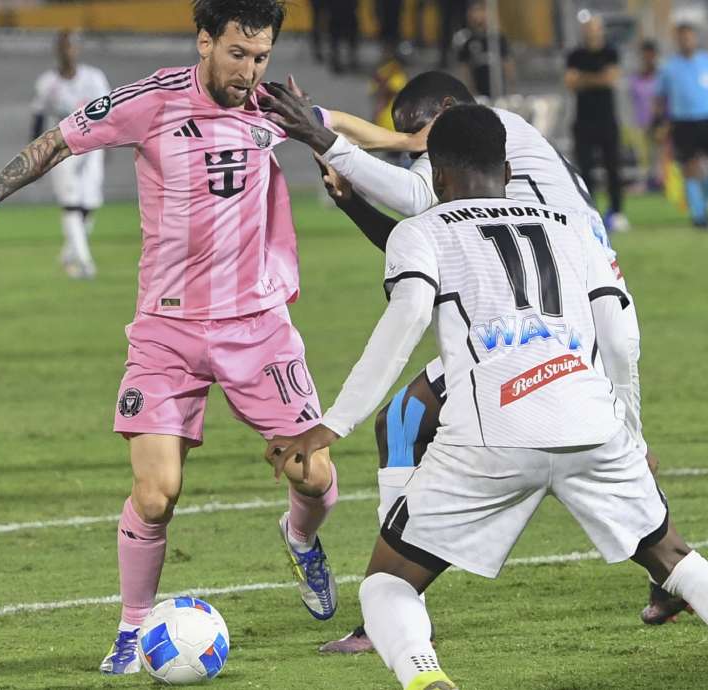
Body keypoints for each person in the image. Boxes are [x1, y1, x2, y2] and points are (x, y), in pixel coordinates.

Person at [268, 104, 708, 690]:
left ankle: (426, 678)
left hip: (490, 437)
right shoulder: (570, 226)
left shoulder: (421, 231)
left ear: (435, 177)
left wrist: (331, 424)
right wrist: (632, 434)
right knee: (677, 561)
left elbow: (406, 318)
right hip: (592, 423)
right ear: (508, 168)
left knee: (389, 582)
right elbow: (618, 334)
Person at [0, 0, 341, 675]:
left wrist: (410, 148)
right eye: (238, 54)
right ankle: (131, 630)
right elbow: (58, 140)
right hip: (167, 330)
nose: (249, 70)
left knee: (316, 473)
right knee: (156, 493)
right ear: (205, 40)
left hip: (258, 328)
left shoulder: (272, 106)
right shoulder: (150, 101)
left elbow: (339, 127)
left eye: (261, 56)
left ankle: (301, 539)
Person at [260, 70, 674, 653]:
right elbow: (437, 244)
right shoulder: (497, 162)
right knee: (416, 422)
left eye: (422, 142)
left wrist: (322, 134)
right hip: (562, 321)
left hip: (559, 328)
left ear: (449, 112)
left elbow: (418, 202)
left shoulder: (499, 130)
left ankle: (390, 606)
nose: (421, 156)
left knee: (411, 422)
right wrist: (353, 201)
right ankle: (672, 571)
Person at [31, 29, 111, 280]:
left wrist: (108, 145)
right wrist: (36, 154)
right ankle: (84, 261)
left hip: (92, 147)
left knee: (89, 204)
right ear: (57, 50)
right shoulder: (47, 83)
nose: (68, 50)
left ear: (78, 49)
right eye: (63, 46)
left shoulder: (94, 78)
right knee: (72, 204)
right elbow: (38, 118)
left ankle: (70, 253)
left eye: (72, 45)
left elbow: (110, 113)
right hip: (60, 147)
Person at [655, 21, 708, 228]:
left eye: (689, 36)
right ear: (676, 40)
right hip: (683, 123)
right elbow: (660, 100)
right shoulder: (669, 68)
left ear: (695, 38)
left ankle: (699, 201)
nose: (686, 40)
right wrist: (660, 125)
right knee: (690, 170)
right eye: (681, 37)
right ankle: (699, 217)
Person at [565, 13, 628, 233]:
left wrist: (584, 79)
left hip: (607, 121)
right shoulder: (575, 54)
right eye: (588, 28)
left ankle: (617, 213)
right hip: (583, 122)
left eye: (595, 28)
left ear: (601, 30)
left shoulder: (611, 52)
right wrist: (597, 79)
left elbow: (610, 79)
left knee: (613, 169)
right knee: (586, 170)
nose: (592, 32)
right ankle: (590, 213)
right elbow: (571, 83)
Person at [454, 1, 513, 98]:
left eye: (480, 11)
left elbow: (507, 62)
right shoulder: (465, 39)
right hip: (479, 93)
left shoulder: (497, 37)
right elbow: (464, 69)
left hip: (499, 90)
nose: (477, 15)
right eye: (473, 11)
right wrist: (470, 91)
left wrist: (511, 87)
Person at [628, 39, 662, 191]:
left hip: (660, 124)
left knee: (661, 157)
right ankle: (649, 183)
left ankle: (662, 183)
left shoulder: (662, 77)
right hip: (641, 124)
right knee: (645, 159)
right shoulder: (635, 79)